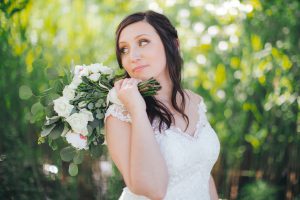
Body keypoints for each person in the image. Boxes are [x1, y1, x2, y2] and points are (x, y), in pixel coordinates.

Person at [104, 10, 220, 200]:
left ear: (173, 44)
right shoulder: (119, 114)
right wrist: (137, 109)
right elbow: (154, 189)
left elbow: (203, 173)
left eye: (143, 42)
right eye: (124, 49)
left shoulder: (194, 101)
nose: (132, 56)